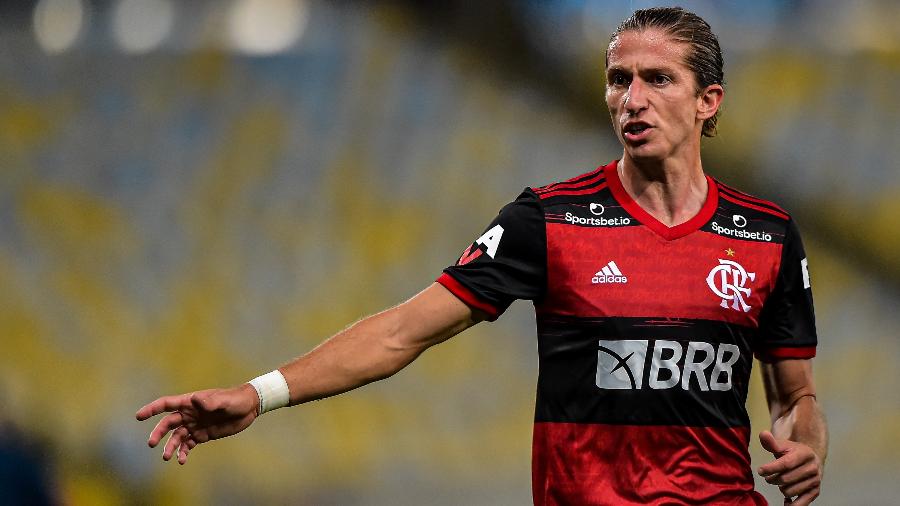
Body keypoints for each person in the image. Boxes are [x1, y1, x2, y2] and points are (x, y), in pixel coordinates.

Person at [137, 6, 827, 505]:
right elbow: (401, 332)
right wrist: (260, 395)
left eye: (657, 79)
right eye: (619, 79)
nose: (631, 100)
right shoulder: (549, 219)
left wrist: (806, 448)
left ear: (709, 101)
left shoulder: (763, 233)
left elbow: (794, 398)